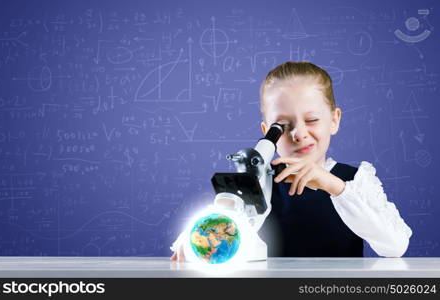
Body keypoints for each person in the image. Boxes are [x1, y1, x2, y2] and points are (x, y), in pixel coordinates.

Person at [170, 61, 412, 261]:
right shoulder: (261, 185)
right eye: (282, 126)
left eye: (312, 119)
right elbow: (211, 239)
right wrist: (205, 230)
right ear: (267, 133)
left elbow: (395, 246)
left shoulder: (354, 182)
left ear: (334, 120)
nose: (298, 133)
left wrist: (334, 186)